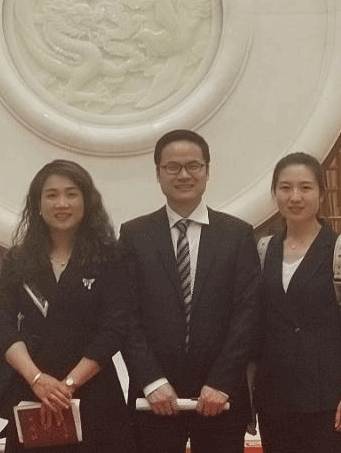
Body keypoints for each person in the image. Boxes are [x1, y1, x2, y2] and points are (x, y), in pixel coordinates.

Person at [120, 129, 260, 453]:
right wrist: (152, 380)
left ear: (207, 171)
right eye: (172, 167)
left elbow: (248, 315)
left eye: (193, 166)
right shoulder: (134, 235)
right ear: (158, 173)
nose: (183, 175)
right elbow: (125, 315)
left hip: (221, 397)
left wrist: (221, 382)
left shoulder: (237, 234)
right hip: (153, 398)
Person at [0, 159, 134, 453]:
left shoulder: (111, 257)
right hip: (33, 393)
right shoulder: (18, 260)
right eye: (51, 195)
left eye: (71, 194)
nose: (62, 203)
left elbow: (114, 329)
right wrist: (37, 379)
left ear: (86, 201)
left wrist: (66, 386)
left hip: (95, 394)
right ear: (38, 204)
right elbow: (2, 324)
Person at [253, 152, 341, 453]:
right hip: (274, 398)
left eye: (305, 188)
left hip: (329, 399)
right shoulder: (264, 250)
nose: (295, 197)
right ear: (274, 193)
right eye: (285, 187)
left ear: (322, 194)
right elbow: (256, 328)